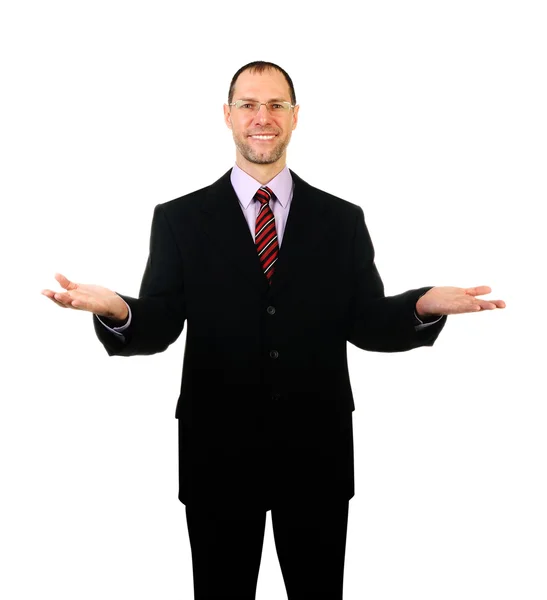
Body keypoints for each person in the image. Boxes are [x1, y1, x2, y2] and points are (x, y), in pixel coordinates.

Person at [42, 60, 505, 600]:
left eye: (275, 105)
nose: (262, 117)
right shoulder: (178, 219)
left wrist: (422, 305)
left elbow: (367, 322)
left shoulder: (341, 220)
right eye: (248, 104)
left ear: (295, 115)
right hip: (217, 453)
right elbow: (162, 323)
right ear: (227, 115)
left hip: (317, 454)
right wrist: (119, 310)